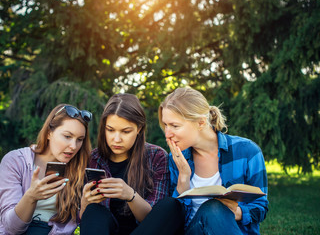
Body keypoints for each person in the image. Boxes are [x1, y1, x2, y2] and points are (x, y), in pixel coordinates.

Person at [158, 87, 268, 235]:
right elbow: (173, 218)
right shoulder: (175, 159)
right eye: (165, 125)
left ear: (201, 122)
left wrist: (238, 212)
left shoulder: (247, 151)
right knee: (213, 208)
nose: (167, 134)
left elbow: (261, 206)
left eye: (175, 126)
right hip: (194, 230)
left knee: (215, 209)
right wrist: (183, 176)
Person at [0, 104, 93, 235]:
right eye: (67, 136)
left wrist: (85, 204)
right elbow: (11, 228)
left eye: (80, 139)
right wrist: (31, 197)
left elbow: (80, 223)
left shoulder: (80, 167)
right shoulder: (15, 161)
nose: (73, 146)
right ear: (49, 133)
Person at [79, 93, 170, 235]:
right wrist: (85, 201)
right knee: (93, 210)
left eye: (125, 131)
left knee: (170, 205)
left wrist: (130, 195)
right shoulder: (92, 159)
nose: (116, 139)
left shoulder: (157, 157)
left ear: (139, 128)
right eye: (110, 130)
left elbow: (155, 220)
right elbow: (84, 221)